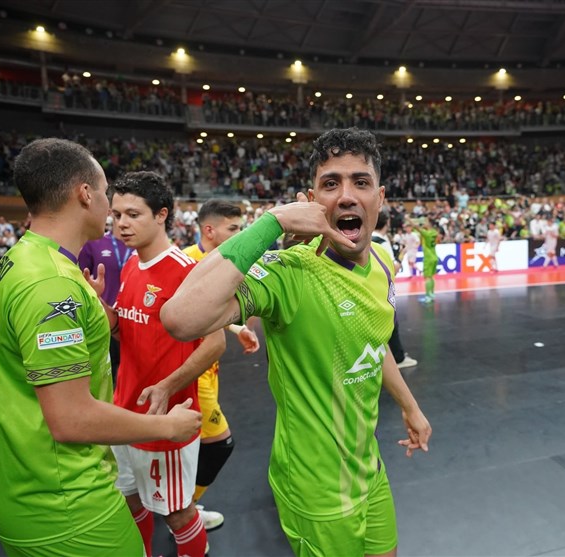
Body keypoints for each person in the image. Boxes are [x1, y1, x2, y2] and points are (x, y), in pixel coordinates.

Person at [161, 127, 432, 557]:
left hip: (370, 470)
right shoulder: (288, 272)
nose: (347, 196)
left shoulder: (383, 261)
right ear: (311, 201)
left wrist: (410, 406)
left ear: (379, 198)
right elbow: (179, 318)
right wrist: (272, 224)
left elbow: (373, 342)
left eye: (360, 182)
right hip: (315, 491)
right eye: (331, 184)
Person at [0, 138, 202, 557]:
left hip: (21, 483)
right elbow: (70, 418)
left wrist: (98, 313)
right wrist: (167, 427)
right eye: (105, 196)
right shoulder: (53, 285)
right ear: (85, 193)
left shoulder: (21, 260)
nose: (112, 212)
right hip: (66, 499)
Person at [87, 171, 226, 557]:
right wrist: (102, 307)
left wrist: (167, 386)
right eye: (117, 214)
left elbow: (215, 343)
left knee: (178, 513)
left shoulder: (185, 271)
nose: (122, 224)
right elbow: (126, 332)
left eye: (133, 214)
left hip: (166, 419)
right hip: (125, 411)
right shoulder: (131, 264)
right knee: (131, 499)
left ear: (162, 214)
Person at [183, 199, 261, 530]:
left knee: (194, 445)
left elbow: (213, 311)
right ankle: (185, 512)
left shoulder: (226, 262)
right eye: (233, 228)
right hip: (193, 372)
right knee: (219, 444)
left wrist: (238, 328)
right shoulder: (186, 262)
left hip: (211, 369)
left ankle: (179, 508)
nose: (239, 234)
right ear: (209, 230)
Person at [78, 216, 133, 379]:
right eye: (118, 214)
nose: (124, 220)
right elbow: (81, 278)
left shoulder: (140, 247)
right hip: (103, 318)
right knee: (105, 372)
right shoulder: (94, 243)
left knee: (130, 371)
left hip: (132, 319)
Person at [372, 209, 417, 370]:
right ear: (387, 223)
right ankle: (398, 358)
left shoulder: (368, 238)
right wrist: (401, 255)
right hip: (383, 287)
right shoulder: (382, 242)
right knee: (391, 322)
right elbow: (393, 268)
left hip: (369, 286)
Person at [411, 217, 441, 304]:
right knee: (431, 277)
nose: (424, 223)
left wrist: (409, 219)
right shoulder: (434, 232)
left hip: (428, 258)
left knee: (427, 277)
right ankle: (432, 294)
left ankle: (428, 296)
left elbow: (416, 227)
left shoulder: (426, 234)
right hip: (434, 256)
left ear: (429, 224)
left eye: (426, 222)